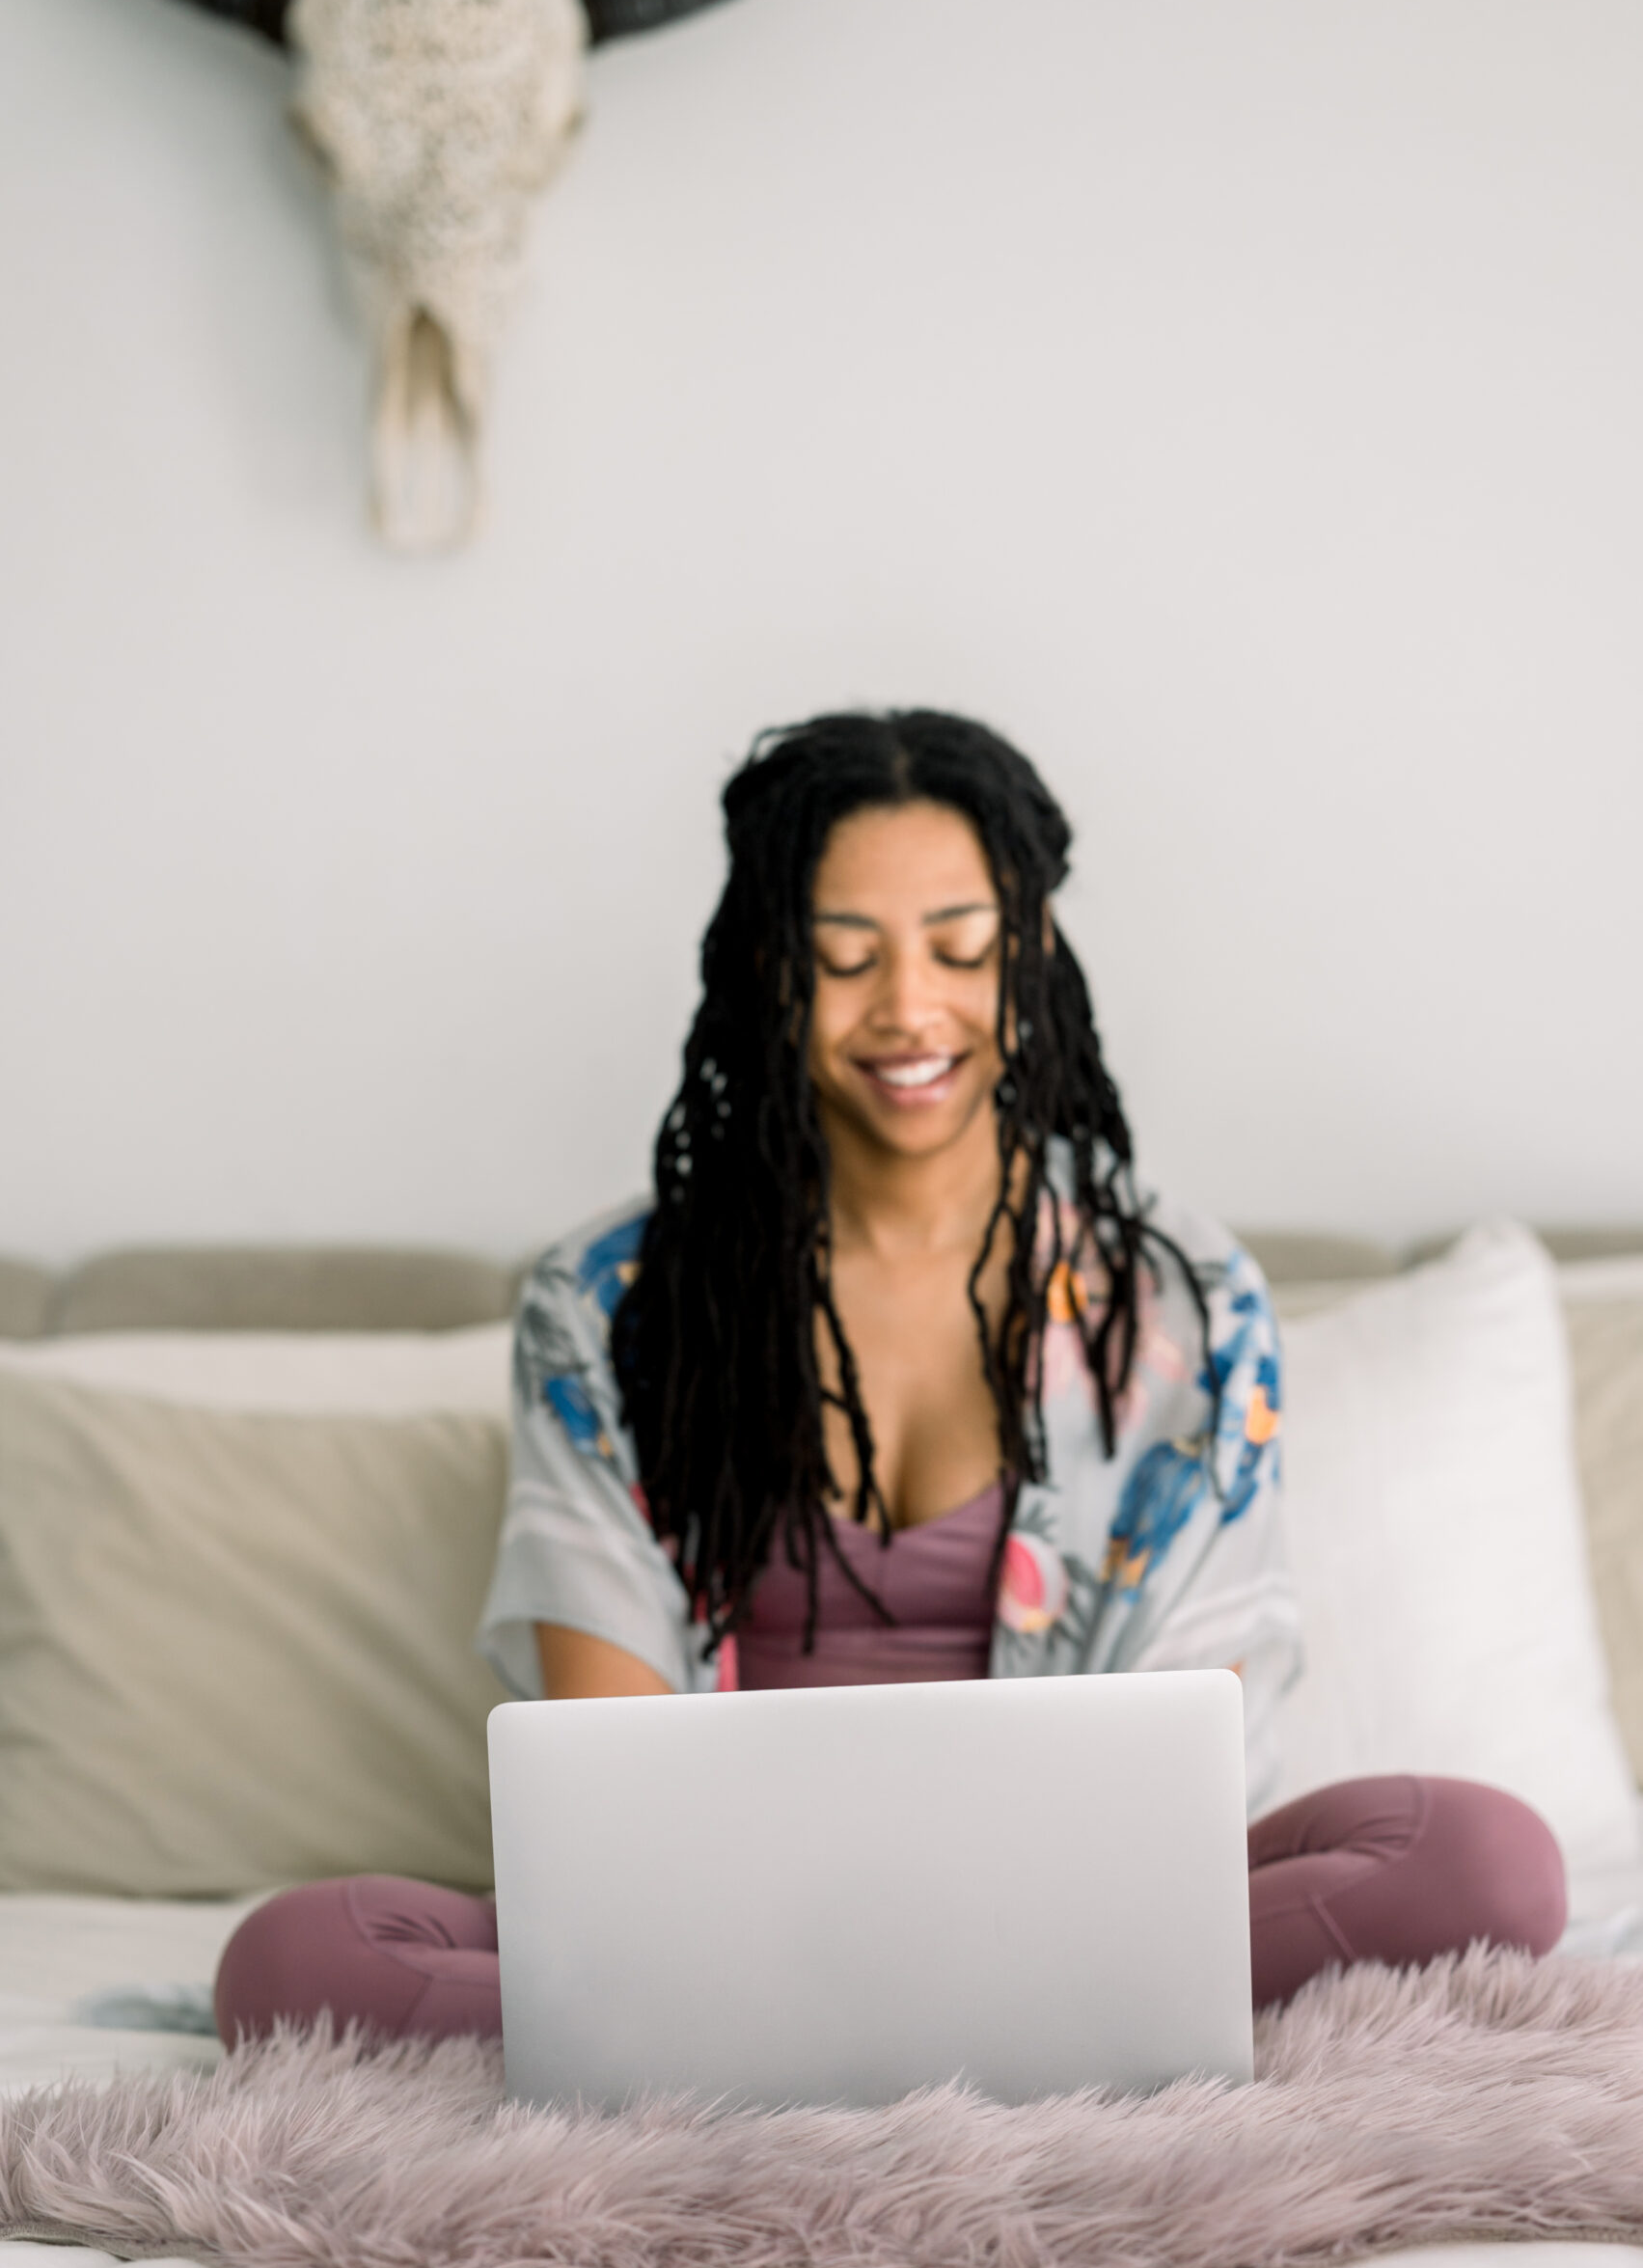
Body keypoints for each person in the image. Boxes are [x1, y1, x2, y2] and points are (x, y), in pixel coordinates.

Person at [215, 710, 1566, 2049]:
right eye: (844, 957)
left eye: (962, 948)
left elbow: (1177, 1757)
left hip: (1081, 1902)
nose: (909, 1009)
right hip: (713, 1908)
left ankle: (781, 2043)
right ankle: (958, 2030)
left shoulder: (1183, 1300)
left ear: (1029, 953)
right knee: (296, 1957)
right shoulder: (609, 1304)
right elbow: (610, 1770)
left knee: (1482, 1860)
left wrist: (1003, 1918)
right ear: (766, 969)